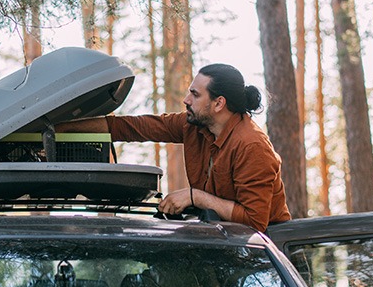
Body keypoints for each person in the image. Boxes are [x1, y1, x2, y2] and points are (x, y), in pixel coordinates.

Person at [60, 64, 291, 232]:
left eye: (195, 94)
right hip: (220, 238)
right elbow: (133, 127)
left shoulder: (252, 146)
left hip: (263, 254)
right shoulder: (193, 125)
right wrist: (56, 127)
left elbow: (254, 221)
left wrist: (196, 197)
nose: (186, 100)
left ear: (219, 103)